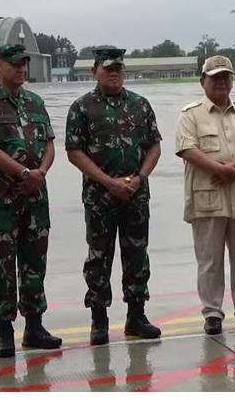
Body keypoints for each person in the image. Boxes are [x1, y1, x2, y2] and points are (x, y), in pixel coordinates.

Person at [0, 44, 62, 357]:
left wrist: (41, 172)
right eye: (14, 64)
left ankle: (34, 326)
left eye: (24, 64)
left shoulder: (35, 102)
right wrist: (25, 173)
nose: (21, 69)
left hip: (35, 198)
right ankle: (4, 332)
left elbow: (49, 143)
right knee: (2, 267)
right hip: (1, 201)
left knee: (35, 263)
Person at [66, 47, 163, 346]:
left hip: (136, 195)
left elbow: (154, 146)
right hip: (100, 197)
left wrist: (139, 178)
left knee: (137, 255)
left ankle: (136, 316)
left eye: (119, 68)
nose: (114, 73)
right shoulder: (82, 107)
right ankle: (99, 320)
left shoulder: (140, 105)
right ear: (94, 70)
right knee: (99, 258)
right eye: (108, 69)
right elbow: (74, 152)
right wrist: (108, 182)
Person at [175, 55, 235, 335]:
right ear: (202, 81)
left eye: (225, 77)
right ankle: (212, 313)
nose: (221, 82)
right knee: (210, 260)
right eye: (215, 77)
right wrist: (219, 169)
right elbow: (187, 149)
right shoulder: (190, 114)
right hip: (208, 197)